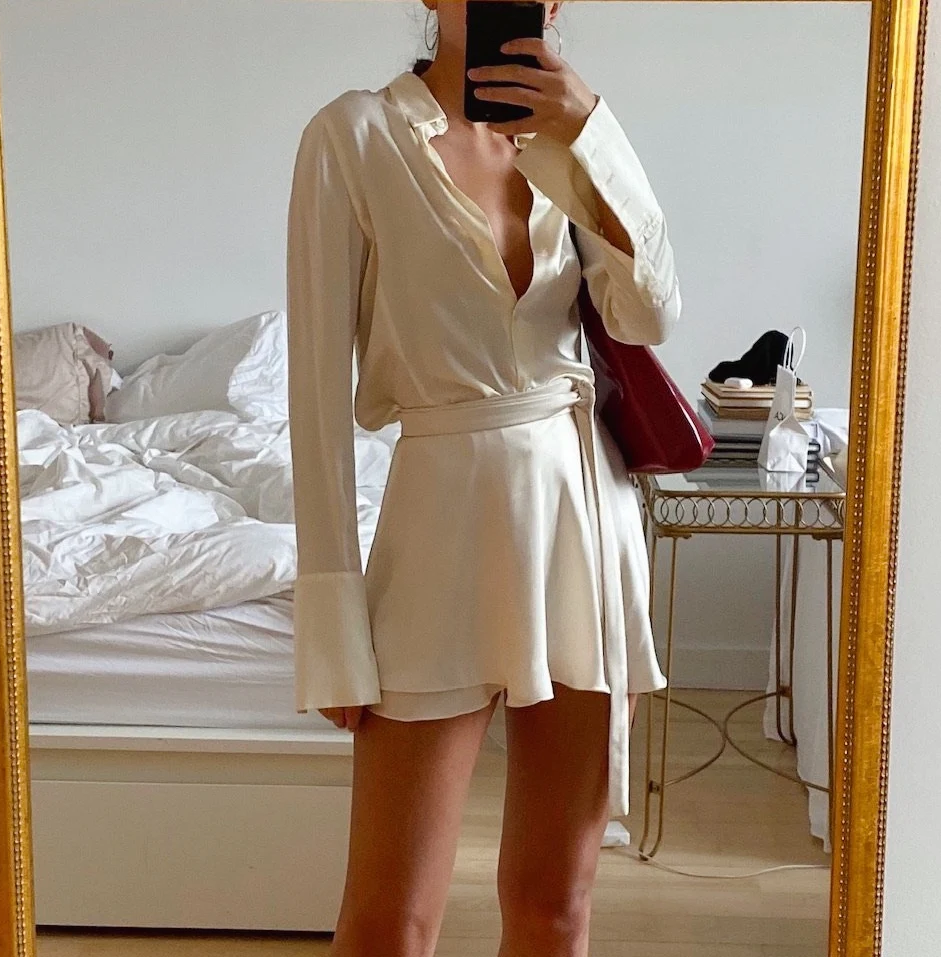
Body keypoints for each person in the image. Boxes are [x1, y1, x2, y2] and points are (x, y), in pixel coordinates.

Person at [287, 2, 681, 955]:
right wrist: (333, 626)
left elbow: (649, 315)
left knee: (556, 905)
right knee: (389, 920)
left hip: (584, 522)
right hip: (440, 526)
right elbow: (314, 397)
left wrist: (592, 132)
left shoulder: (572, 140)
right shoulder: (353, 136)